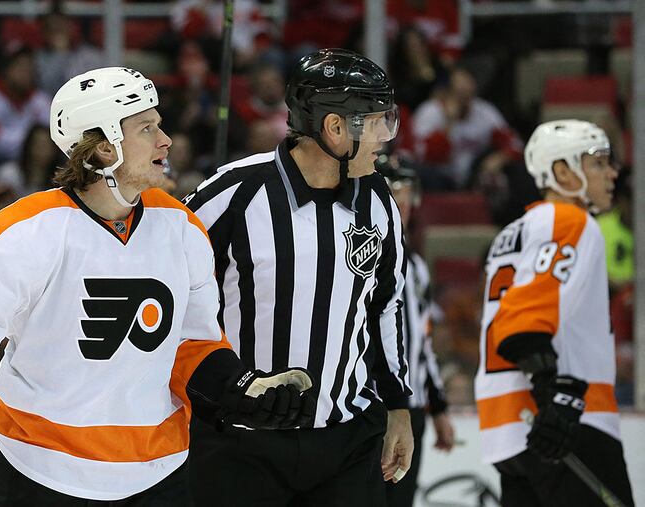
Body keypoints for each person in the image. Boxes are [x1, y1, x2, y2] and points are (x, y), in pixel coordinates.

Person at [0, 66, 316, 506]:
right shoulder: (27, 230)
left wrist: (237, 389)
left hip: (159, 473)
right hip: (40, 470)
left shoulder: (181, 227)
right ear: (104, 148)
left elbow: (192, 344)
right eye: (147, 128)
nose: (166, 140)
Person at [183, 48, 414, 507]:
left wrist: (399, 405)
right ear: (333, 128)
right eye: (375, 123)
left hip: (347, 442)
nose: (385, 139)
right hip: (238, 446)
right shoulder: (232, 193)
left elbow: (385, 305)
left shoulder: (379, 201)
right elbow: (173, 301)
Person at [475, 119, 634, 506]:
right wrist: (553, 394)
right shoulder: (571, 220)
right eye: (598, 162)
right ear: (563, 171)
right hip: (563, 420)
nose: (612, 172)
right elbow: (521, 320)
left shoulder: (514, 231)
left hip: (505, 428)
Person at [376, 157, 455, 507]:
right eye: (394, 190)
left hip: (413, 409)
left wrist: (437, 406)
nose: (402, 200)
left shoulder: (417, 265)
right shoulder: (360, 257)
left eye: (407, 191)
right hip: (371, 408)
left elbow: (421, 342)